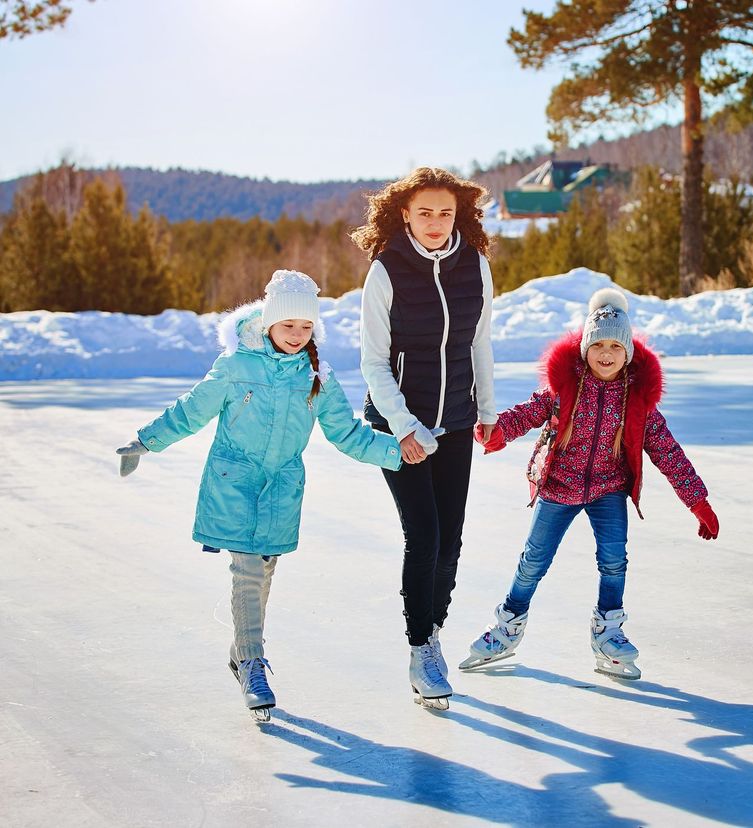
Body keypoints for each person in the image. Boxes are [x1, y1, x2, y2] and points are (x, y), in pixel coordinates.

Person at [115, 270, 403, 720]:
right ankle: (252, 663)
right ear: (268, 322)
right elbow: (192, 409)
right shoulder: (236, 366)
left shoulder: (317, 377)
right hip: (234, 482)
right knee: (247, 570)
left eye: (306, 327)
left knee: (263, 569)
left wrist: (398, 451)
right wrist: (146, 441)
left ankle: (240, 647)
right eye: (288, 325)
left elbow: (345, 433)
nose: (296, 334)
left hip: (282, 488)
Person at [460, 287, 719, 680]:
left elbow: (668, 452)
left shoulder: (637, 400)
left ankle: (608, 633)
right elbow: (526, 414)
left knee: (614, 560)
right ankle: (508, 626)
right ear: (585, 347)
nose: (607, 353)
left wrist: (697, 502)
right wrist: (497, 433)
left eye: (616, 345)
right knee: (533, 562)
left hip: (607, 490)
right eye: (599, 344)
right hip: (558, 487)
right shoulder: (564, 388)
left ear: (628, 351)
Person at [352, 167, 497, 710]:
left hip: (457, 420)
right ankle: (420, 647)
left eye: (445, 213)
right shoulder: (386, 270)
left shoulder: (475, 266)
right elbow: (372, 361)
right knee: (426, 535)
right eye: (425, 212)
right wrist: (404, 425)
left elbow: (478, 344)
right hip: (398, 427)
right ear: (404, 215)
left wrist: (486, 410)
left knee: (452, 539)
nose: (436, 223)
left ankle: (432, 628)